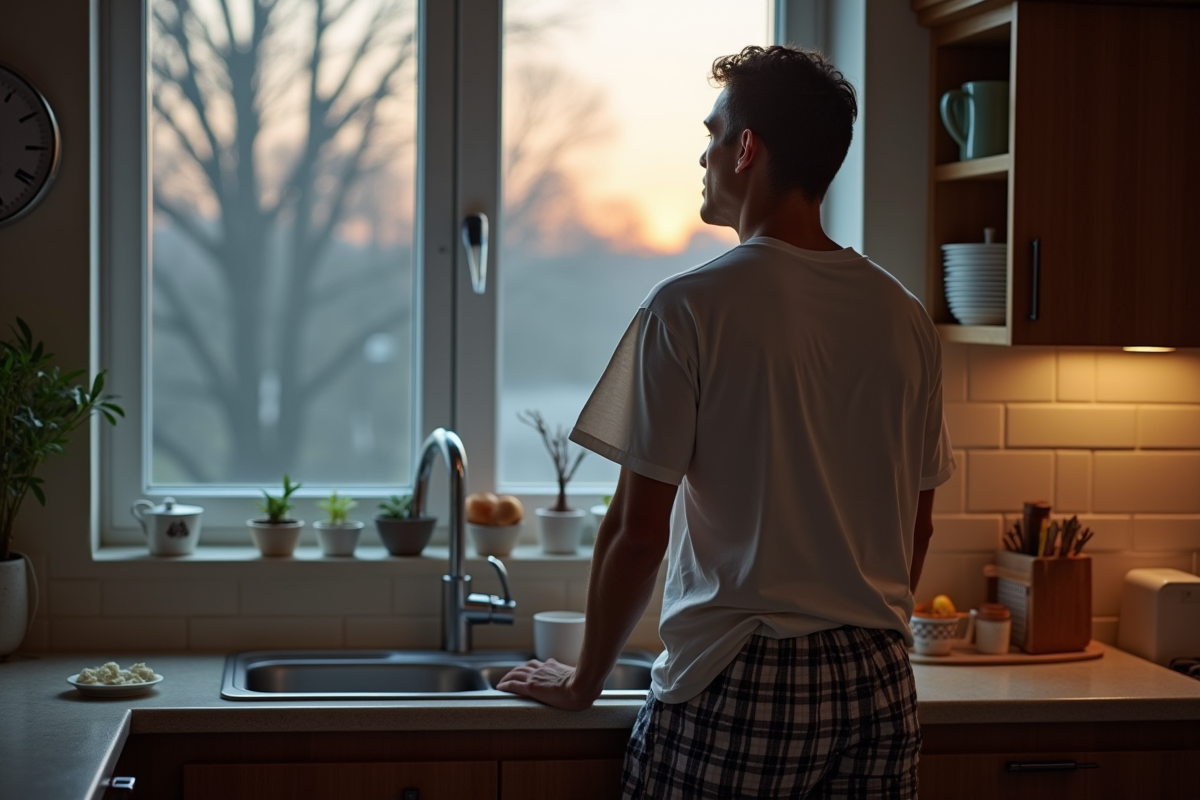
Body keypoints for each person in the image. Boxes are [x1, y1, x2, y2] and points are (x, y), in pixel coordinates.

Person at [498, 44, 955, 799]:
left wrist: (585, 680)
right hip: (879, 682)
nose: (702, 155)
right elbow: (921, 523)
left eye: (712, 134)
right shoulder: (904, 317)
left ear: (747, 149)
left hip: (744, 676)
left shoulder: (688, 308)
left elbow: (637, 532)